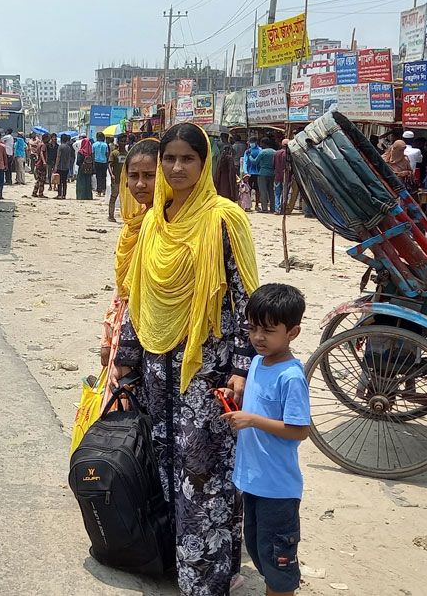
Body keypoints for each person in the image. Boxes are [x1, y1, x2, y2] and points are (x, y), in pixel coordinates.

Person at [111, 122, 259, 595]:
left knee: (204, 475)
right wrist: (127, 360)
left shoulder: (224, 219)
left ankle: (207, 579)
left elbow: (245, 302)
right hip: (157, 369)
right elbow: (141, 296)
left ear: (205, 163)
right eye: (168, 159)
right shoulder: (155, 219)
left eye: (187, 159)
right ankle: (174, 563)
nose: (176, 168)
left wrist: (239, 369)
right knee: (164, 469)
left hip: (207, 369)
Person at [221, 283, 310, 596]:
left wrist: (252, 420)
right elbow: (257, 405)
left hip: (278, 488)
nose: (258, 337)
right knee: (260, 552)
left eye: (268, 330)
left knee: (278, 565)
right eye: (253, 328)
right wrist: (234, 402)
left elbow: (300, 430)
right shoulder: (258, 362)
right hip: (253, 480)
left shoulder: (291, 376)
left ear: (292, 333)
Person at [99, 138, 159, 367]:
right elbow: (122, 288)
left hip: (152, 330)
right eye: (134, 176)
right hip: (124, 324)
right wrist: (109, 334)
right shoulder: (133, 225)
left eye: (149, 176)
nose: (140, 184)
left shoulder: (165, 224)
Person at [107, 138, 129, 221]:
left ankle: (125, 216)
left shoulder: (127, 154)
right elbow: (109, 165)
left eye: (124, 141)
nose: (123, 143)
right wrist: (111, 174)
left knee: (124, 199)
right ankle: (111, 216)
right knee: (113, 197)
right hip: (116, 179)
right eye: (121, 141)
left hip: (124, 180)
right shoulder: (114, 153)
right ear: (118, 142)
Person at [255, 137, 277, 213]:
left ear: (263, 143)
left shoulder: (262, 152)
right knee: (271, 191)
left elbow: (255, 162)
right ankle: (272, 208)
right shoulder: (274, 152)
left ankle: (264, 208)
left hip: (263, 173)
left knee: (263, 191)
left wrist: (250, 156)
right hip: (272, 173)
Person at [54, 133, 75, 199]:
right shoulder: (68, 147)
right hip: (66, 167)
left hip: (60, 166)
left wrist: (56, 166)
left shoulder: (60, 147)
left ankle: (59, 194)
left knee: (59, 182)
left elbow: (58, 156)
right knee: (64, 181)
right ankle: (64, 195)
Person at [273, 139, 290, 213]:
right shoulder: (288, 154)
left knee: (277, 194)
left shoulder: (276, 153)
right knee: (285, 194)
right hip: (286, 177)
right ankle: (283, 209)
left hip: (277, 176)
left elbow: (273, 164)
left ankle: (277, 209)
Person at [92, 132, 110, 197]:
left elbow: (93, 154)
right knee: (103, 176)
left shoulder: (94, 144)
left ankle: (99, 191)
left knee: (98, 177)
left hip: (96, 162)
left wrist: (93, 163)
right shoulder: (105, 145)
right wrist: (107, 161)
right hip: (104, 162)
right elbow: (107, 154)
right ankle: (104, 190)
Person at [32, 133, 49, 198]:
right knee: (42, 180)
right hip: (41, 165)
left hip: (38, 164)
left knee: (38, 180)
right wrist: (44, 162)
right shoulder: (43, 145)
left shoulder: (39, 144)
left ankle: (34, 192)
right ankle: (40, 193)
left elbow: (37, 153)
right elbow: (41, 153)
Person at [44, 131, 60, 196]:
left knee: (55, 174)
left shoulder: (57, 146)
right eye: (54, 137)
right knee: (49, 174)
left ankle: (55, 186)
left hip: (55, 160)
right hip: (49, 161)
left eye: (55, 137)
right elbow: (46, 153)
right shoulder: (48, 145)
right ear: (51, 138)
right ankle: (50, 185)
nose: (55, 139)